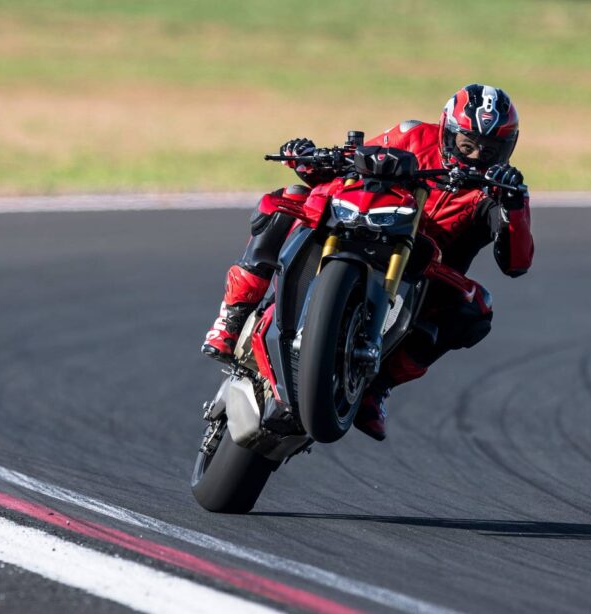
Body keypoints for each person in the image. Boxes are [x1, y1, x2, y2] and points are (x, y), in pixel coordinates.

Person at [202, 84, 534, 441]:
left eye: (490, 150)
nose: (476, 156)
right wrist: (311, 160)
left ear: (508, 148)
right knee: (284, 202)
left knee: (476, 310)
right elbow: (358, 161)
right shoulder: (414, 135)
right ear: (447, 132)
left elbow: (516, 263)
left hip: (424, 273)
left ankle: (377, 388)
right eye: (467, 145)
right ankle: (232, 316)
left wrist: (514, 208)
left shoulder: (502, 190)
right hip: (371, 223)